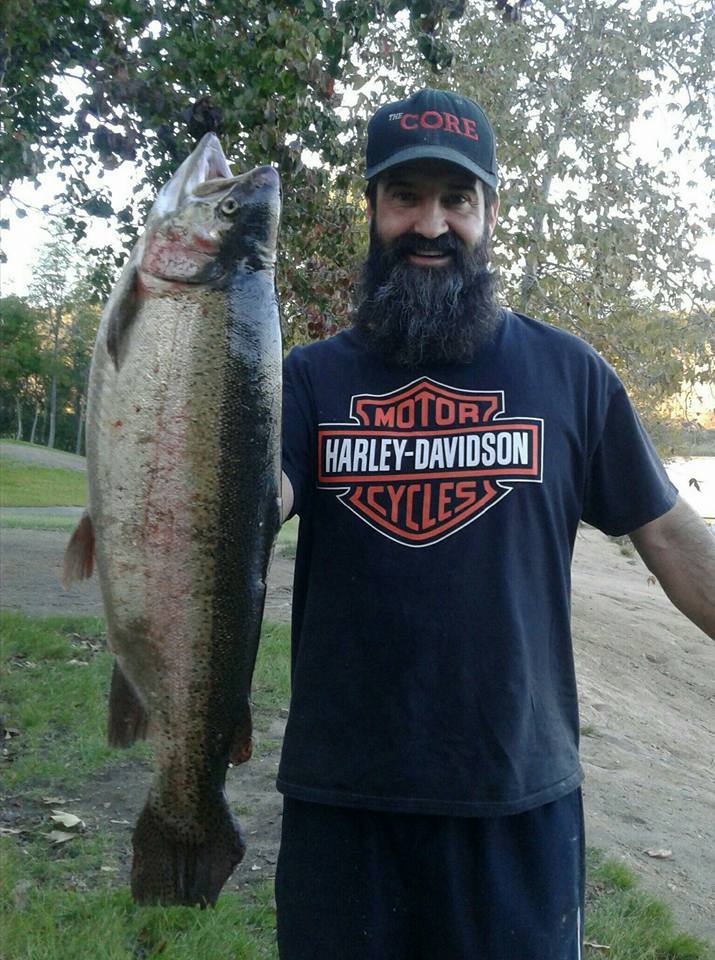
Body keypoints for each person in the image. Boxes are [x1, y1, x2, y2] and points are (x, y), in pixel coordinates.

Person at [274, 88, 715, 959]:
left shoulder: (568, 374)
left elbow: (668, 538)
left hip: (517, 801)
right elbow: (254, 504)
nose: (429, 224)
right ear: (371, 209)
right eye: (404, 196)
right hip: (342, 799)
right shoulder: (307, 379)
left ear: (489, 211)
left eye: (455, 199)